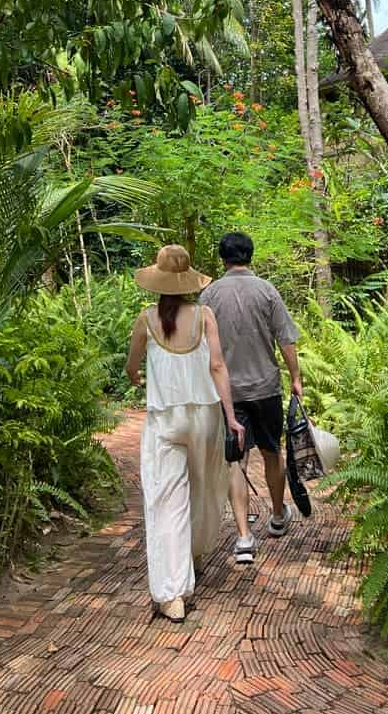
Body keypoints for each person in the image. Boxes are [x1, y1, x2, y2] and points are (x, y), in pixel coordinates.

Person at [126, 244, 245, 623]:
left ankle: (172, 594)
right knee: (204, 487)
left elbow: (132, 366)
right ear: (188, 281)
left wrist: (139, 377)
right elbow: (217, 367)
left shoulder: (145, 319)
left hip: (165, 420)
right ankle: (193, 552)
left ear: (158, 281)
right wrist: (231, 417)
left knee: (165, 502)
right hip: (205, 417)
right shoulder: (204, 315)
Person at [199, 232, 302, 565]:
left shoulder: (209, 294)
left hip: (228, 394)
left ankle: (244, 537)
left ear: (223, 258)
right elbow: (286, 339)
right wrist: (296, 378)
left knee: (236, 462)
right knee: (273, 452)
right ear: (250, 256)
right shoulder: (267, 290)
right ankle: (276, 515)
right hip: (266, 387)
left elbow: (200, 348)